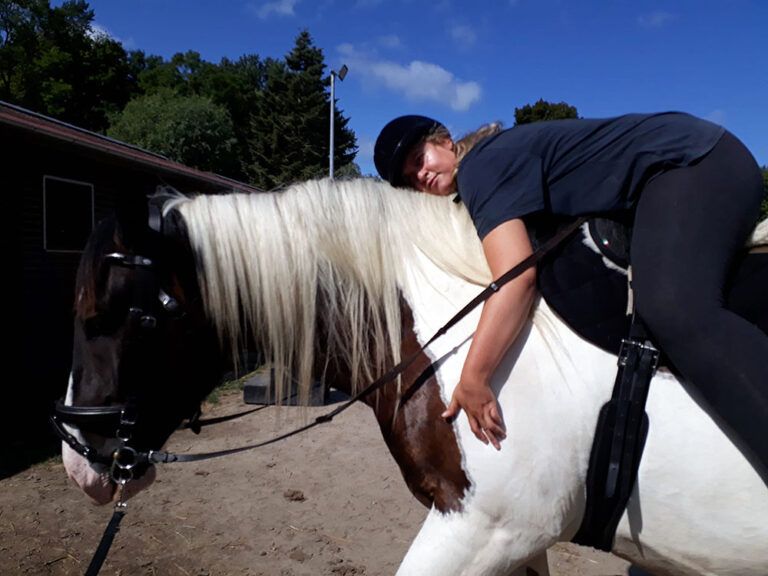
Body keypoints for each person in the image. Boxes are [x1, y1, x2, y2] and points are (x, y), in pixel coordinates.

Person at [374, 112, 768, 476]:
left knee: (671, 308)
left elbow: (516, 277)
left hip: (696, 163)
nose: (420, 174)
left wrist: (473, 377)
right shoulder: (488, 168)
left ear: (444, 140)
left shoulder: (481, 167)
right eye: (410, 177)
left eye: (419, 158)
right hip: (679, 173)